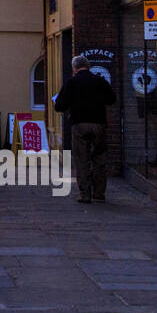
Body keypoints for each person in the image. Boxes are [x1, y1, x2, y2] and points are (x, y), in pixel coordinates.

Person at [54, 55, 116, 204]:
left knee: (82, 159)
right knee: (99, 158)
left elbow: (59, 106)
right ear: (88, 66)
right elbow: (112, 100)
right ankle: (99, 192)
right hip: (99, 124)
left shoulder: (71, 82)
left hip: (79, 124)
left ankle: (85, 194)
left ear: (74, 68)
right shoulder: (100, 81)